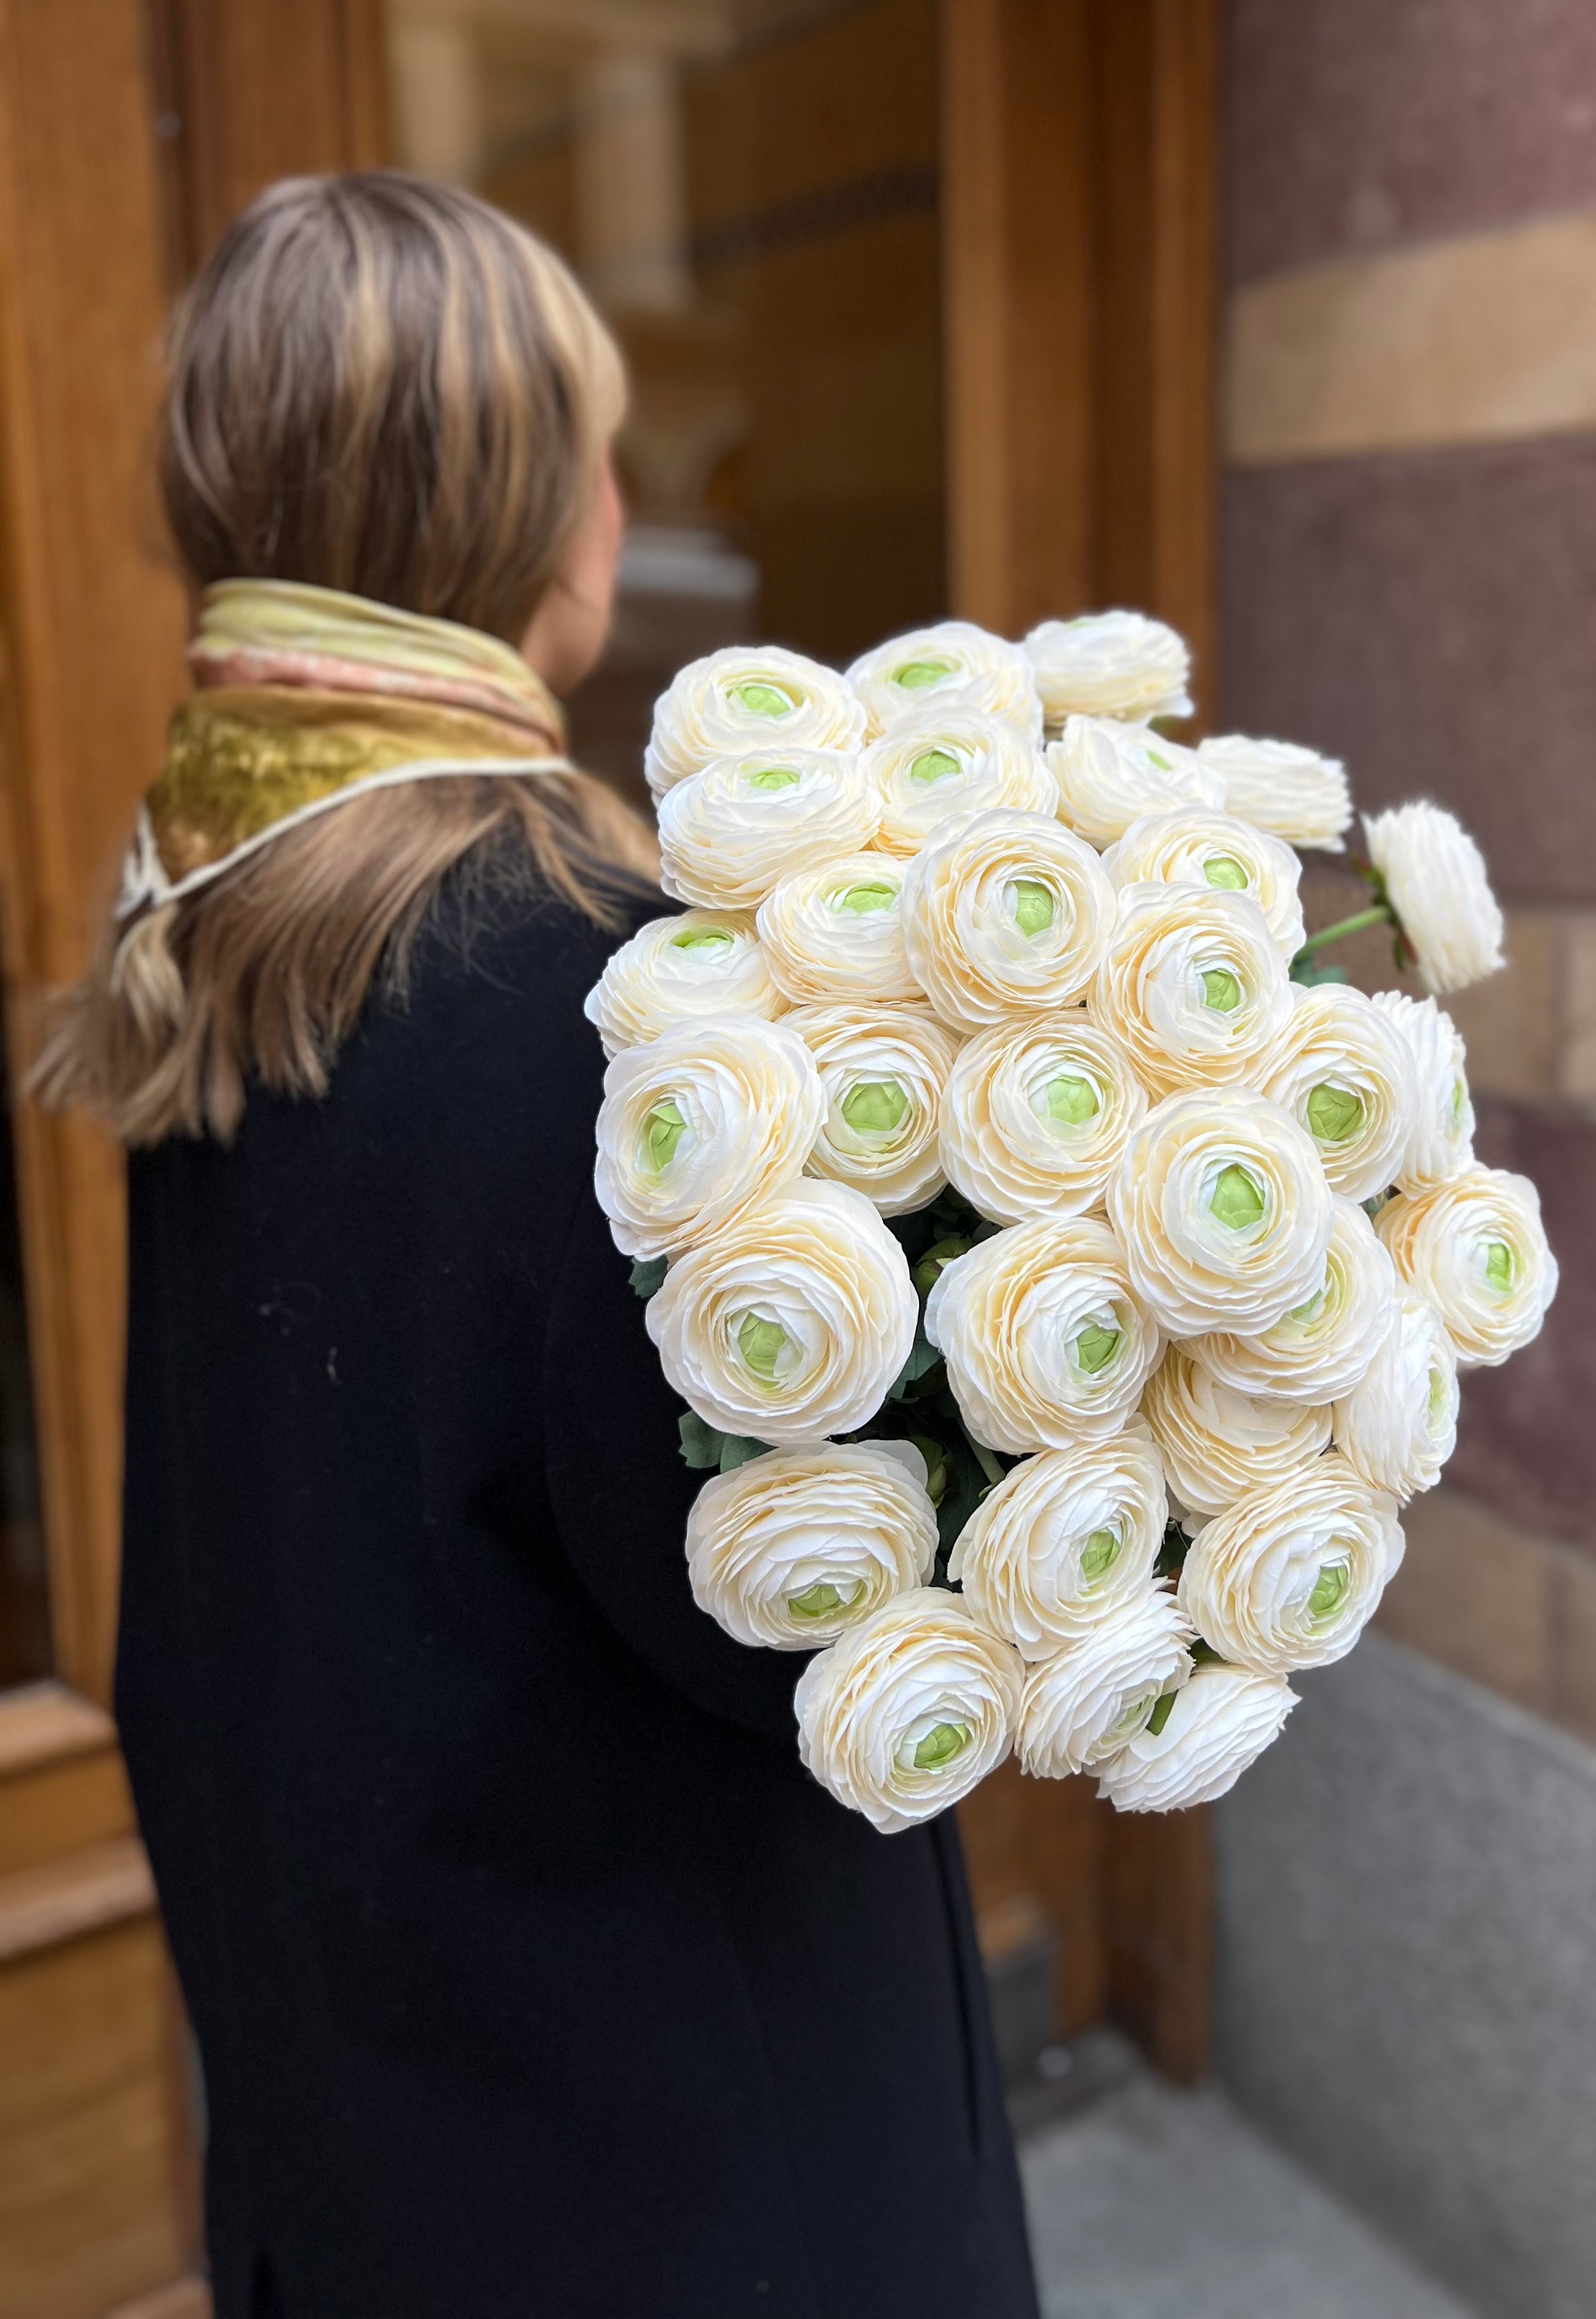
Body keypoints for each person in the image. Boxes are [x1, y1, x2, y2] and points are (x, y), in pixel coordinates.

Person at [35, 172, 1039, 2319]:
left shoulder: (218, 920)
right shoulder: (611, 1007)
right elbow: (790, 1634)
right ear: (535, 514)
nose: (615, 486)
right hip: (678, 2165)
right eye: (592, 434)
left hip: (374, 2113)